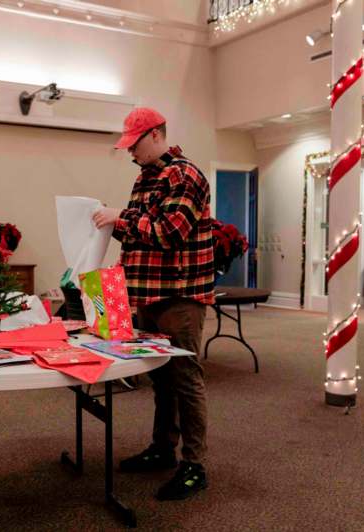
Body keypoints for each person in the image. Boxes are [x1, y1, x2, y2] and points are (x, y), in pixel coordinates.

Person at [92, 107, 214, 501]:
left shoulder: (185, 175)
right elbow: (141, 234)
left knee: (185, 378)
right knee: (161, 379)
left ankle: (194, 466)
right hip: (146, 292)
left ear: (157, 134)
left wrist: (119, 219)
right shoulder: (145, 177)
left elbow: (169, 232)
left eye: (136, 144)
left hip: (179, 296)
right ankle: (163, 449)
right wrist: (118, 246)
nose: (131, 153)